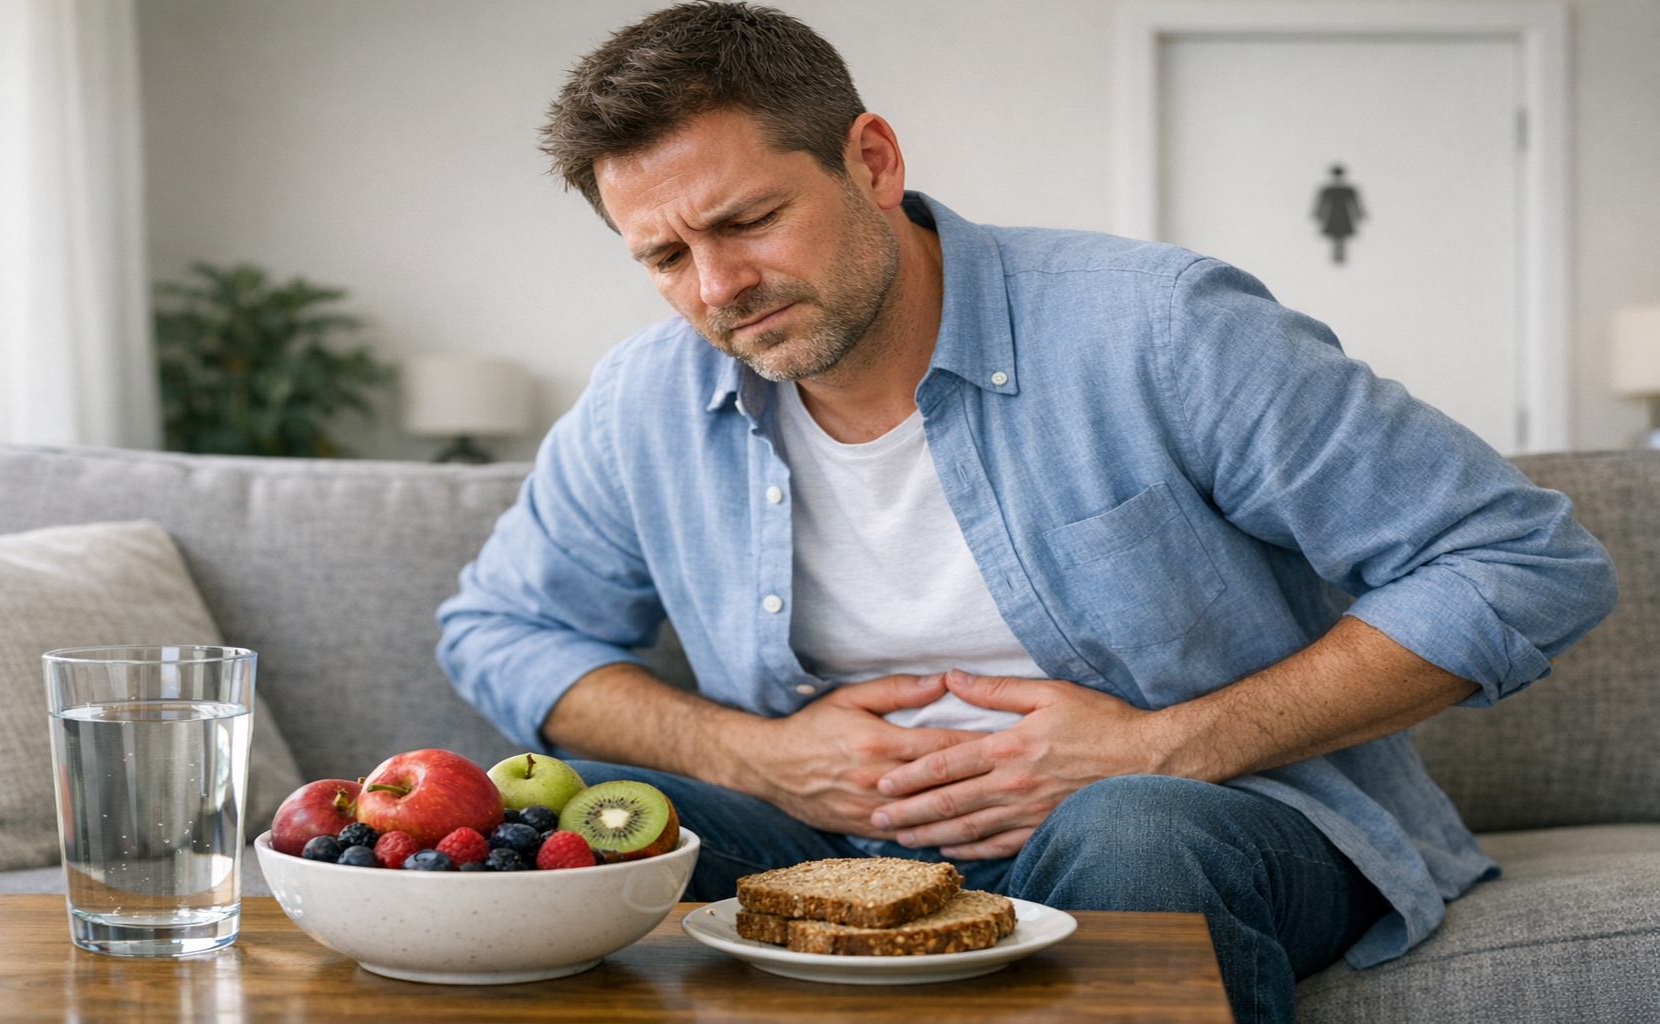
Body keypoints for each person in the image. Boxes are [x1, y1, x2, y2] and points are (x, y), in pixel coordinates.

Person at [436, 5, 1616, 1021]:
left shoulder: (1160, 327)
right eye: (663, 256)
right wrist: (758, 757)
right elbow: (499, 629)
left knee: (1133, 836)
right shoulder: (641, 402)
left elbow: (1518, 558)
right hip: (824, 841)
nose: (716, 288)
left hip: (1205, 814)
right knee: (569, 827)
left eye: (746, 221)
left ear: (871, 160)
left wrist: (1163, 745)